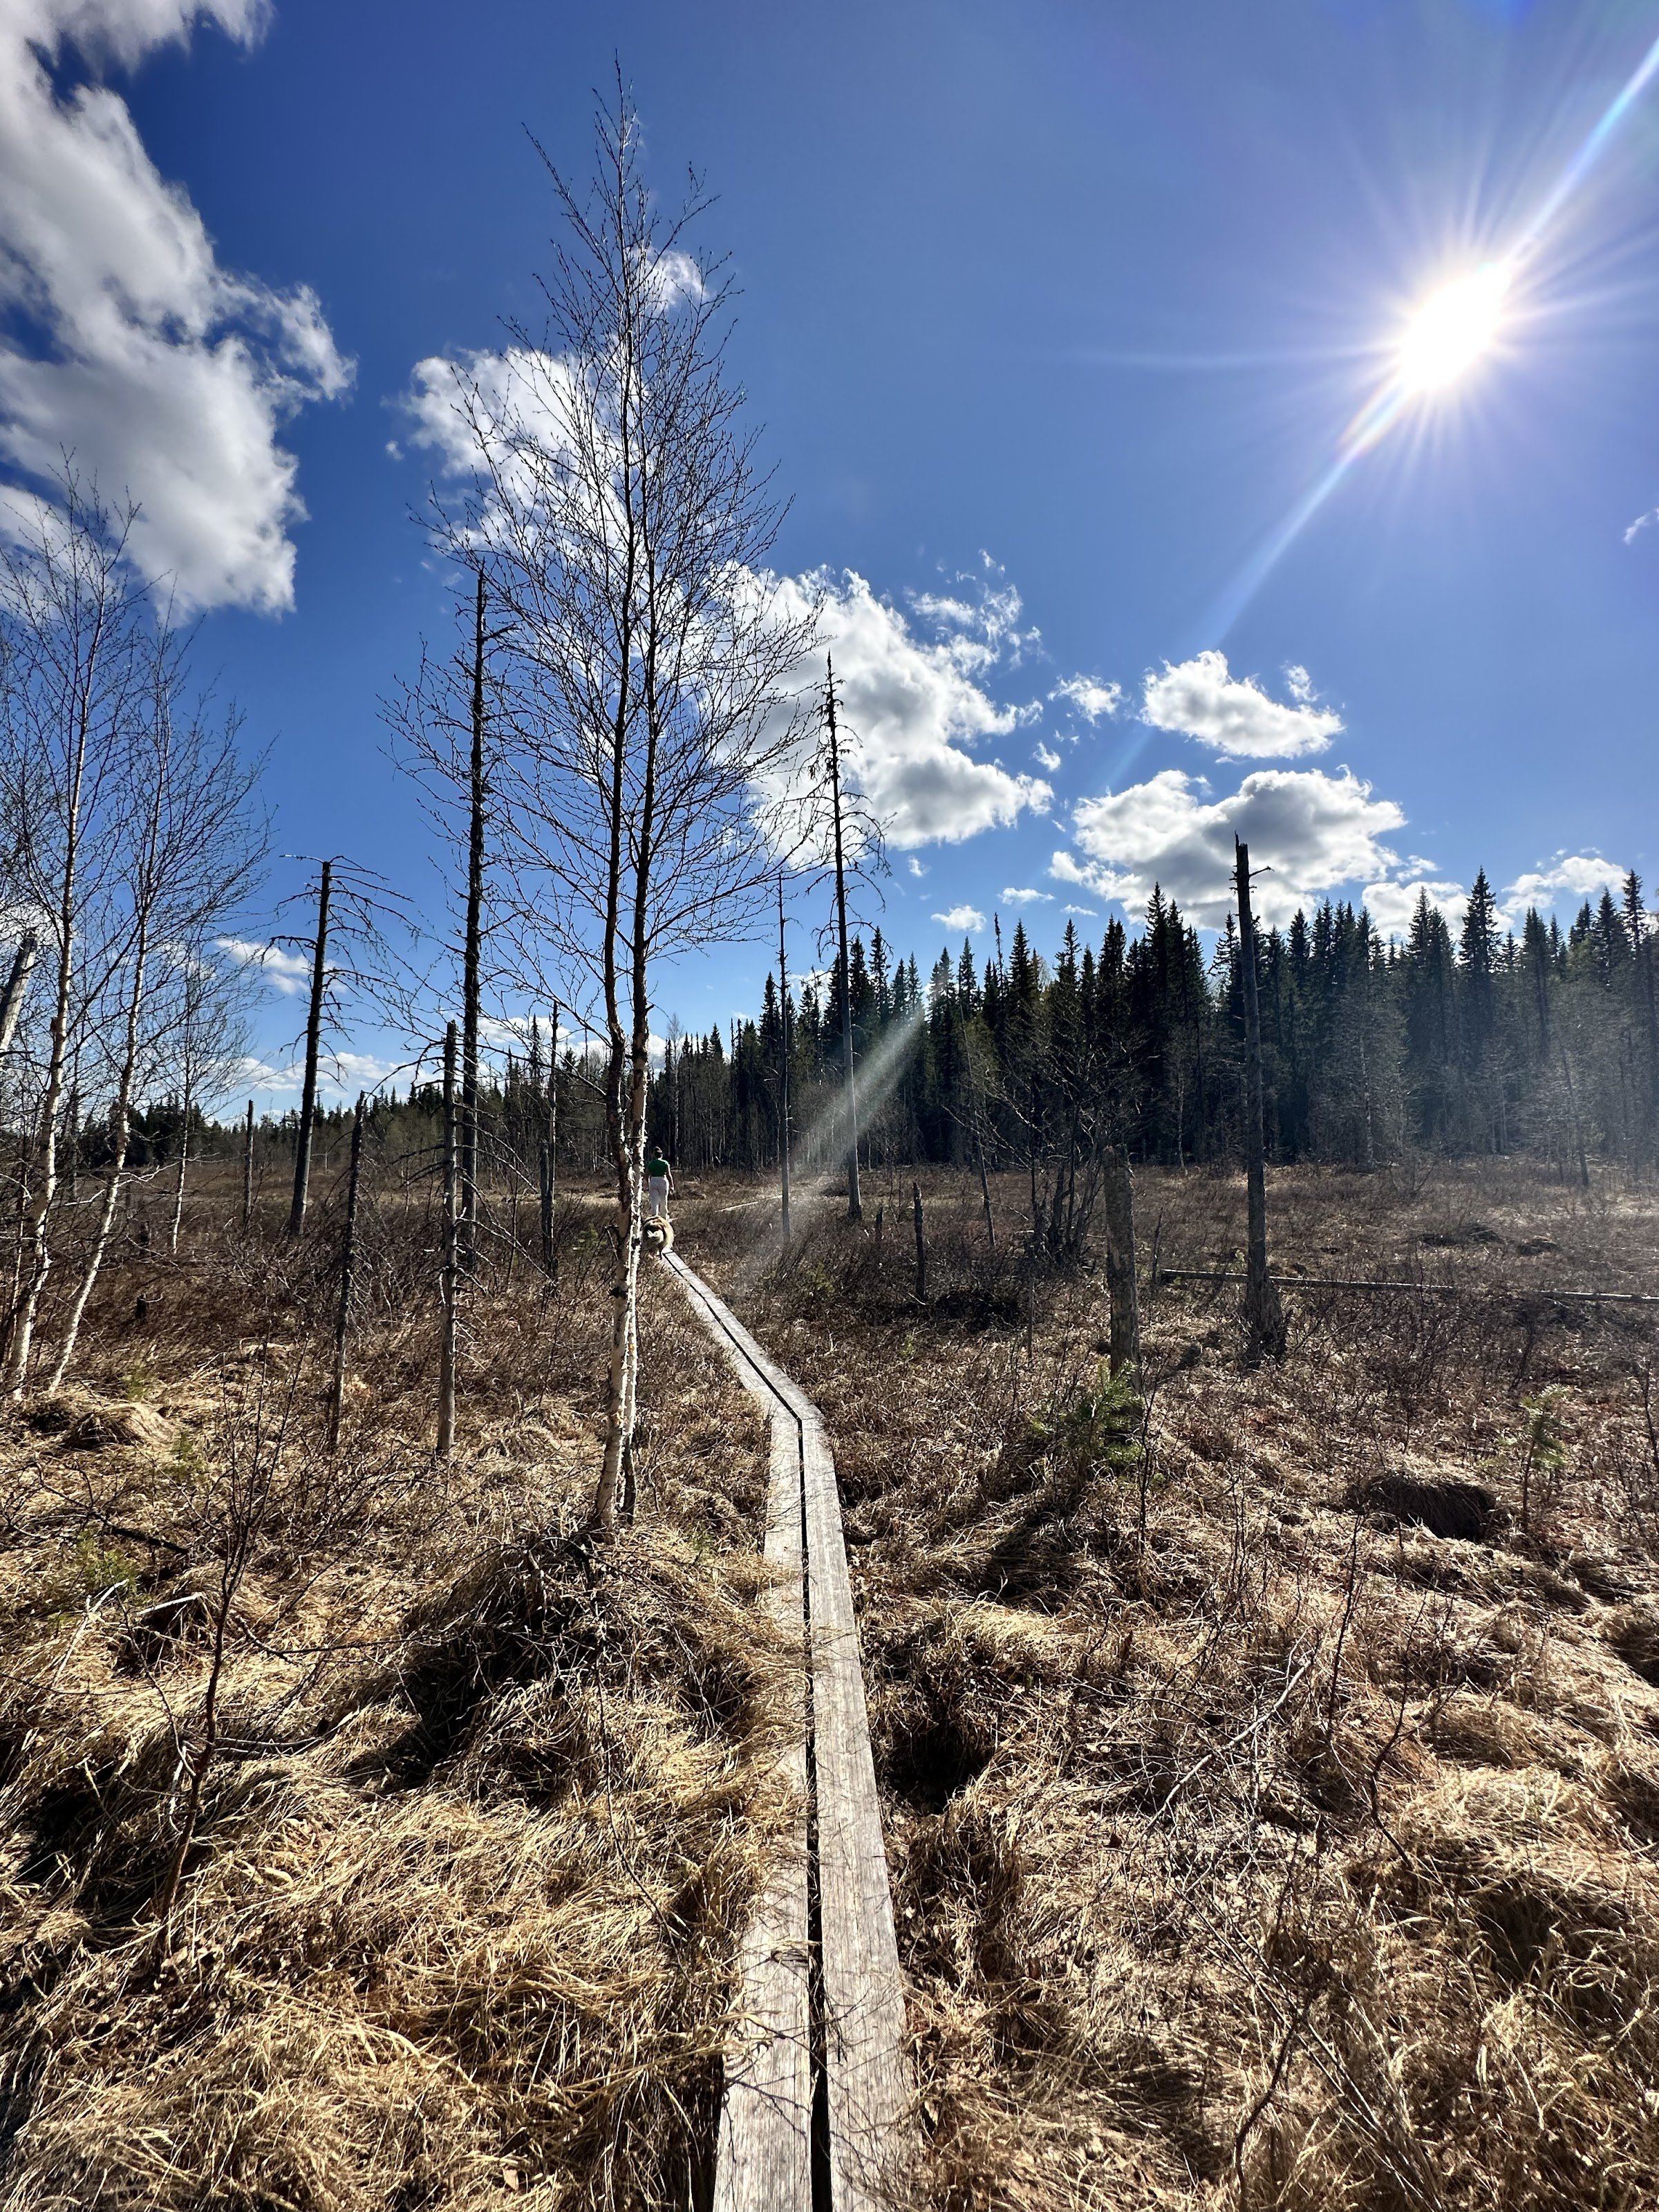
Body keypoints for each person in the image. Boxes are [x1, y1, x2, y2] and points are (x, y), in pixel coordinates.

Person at [646, 1146, 675, 1222]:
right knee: (663, 1200)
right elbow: (669, 1175)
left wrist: (648, 1183)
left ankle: (654, 1217)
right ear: (661, 1155)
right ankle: (664, 1217)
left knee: (654, 1201)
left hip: (653, 1180)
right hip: (663, 1180)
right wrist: (672, 1185)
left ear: (654, 1155)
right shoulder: (665, 1163)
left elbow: (646, 1175)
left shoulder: (651, 1164)